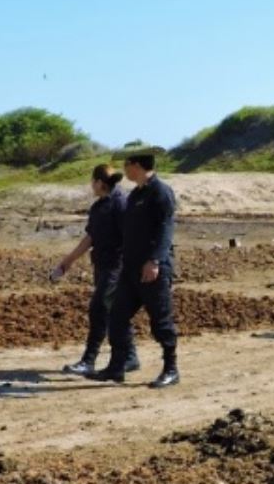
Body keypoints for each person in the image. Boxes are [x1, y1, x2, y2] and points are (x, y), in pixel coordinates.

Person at [95, 150, 179, 388]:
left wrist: (155, 261)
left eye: (126, 164)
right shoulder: (135, 195)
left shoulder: (160, 192)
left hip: (152, 269)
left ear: (137, 165)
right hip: (130, 269)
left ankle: (171, 369)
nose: (124, 170)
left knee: (160, 321)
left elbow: (166, 229)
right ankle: (117, 366)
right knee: (117, 314)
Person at [49, 163, 137, 377]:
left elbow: (131, 236)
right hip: (102, 265)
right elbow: (90, 238)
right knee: (114, 313)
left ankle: (89, 360)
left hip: (116, 267)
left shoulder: (120, 204)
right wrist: (68, 261)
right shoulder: (98, 207)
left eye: (92, 182)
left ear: (99, 182)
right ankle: (131, 357)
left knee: (98, 310)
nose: (91, 186)